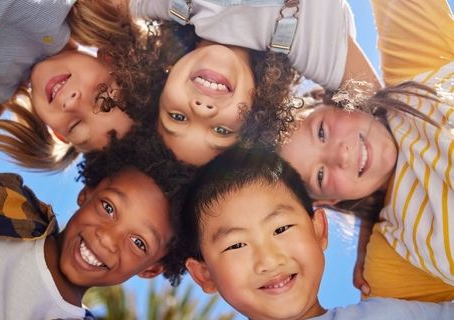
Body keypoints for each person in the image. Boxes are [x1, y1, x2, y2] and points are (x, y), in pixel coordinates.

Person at [241, 0, 454, 302]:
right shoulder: (395, 255)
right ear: (329, 200)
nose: (339, 156)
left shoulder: (415, 69)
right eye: (320, 174)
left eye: (322, 132)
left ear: (334, 100)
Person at [169, 146, 454, 320]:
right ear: (204, 274)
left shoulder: (390, 316)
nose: (268, 259)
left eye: (281, 228)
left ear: (319, 230)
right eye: (236, 245)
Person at [0, 127, 196, 319]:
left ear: (150, 269)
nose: (107, 238)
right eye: (109, 208)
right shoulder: (8, 201)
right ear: (86, 194)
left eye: (138, 242)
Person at [127, 0, 380, 166]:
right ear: (256, 119)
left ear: (159, 82)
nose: (202, 110)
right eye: (222, 131)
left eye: (177, 117)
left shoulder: (168, 4)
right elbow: (389, 113)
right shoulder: (307, 44)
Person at [0, 0, 158, 171]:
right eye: (99, 95)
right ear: (111, 59)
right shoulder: (70, 7)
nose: (72, 104)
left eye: (75, 125)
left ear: (57, 133)